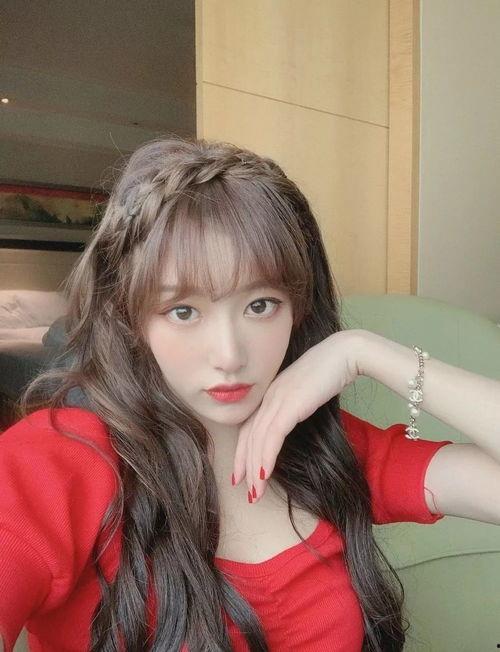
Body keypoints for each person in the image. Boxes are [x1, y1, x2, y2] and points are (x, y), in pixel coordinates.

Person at [1, 135, 499, 652]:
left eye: (261, 305)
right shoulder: (59, 459)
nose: (230, 355)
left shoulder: (328, 452)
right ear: (130, 317)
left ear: (298, 309)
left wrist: (367, 352)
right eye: (183, 311)